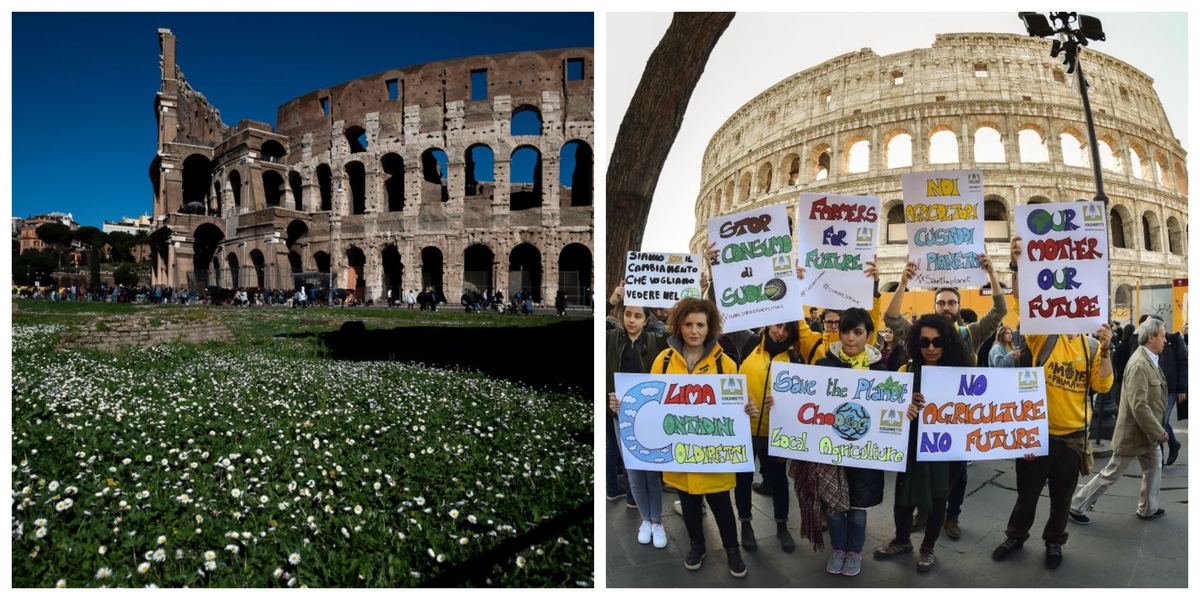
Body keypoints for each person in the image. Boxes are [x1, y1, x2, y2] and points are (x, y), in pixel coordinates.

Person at [994, 235, 1114, 570]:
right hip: (1037, 434)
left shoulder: (1091, 346)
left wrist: (1105, 350)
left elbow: (1102, 385)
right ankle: (1016, 535)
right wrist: (1017, 264)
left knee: (1061, 500)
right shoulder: (1044, 334)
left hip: (1072, 437)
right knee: (1026, 495)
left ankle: (1054, 542)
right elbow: (1020, 303)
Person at [886, 254, 1004, 539]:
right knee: (924, 470)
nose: (947, 307)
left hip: (958, 419)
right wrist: (903, 282)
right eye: (941, 303)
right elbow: (890, 317)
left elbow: (999, 311)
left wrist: (991, 274)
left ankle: (952, 516)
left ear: (959, 307)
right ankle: (923, 513)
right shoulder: (919, 332)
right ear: (934, 306)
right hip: (924, 415)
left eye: (952, 302)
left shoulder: (969, 334)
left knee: (957, 474)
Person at [651, 297, 758, 578]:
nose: (694, 330)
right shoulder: (662, 361)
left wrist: (747, 409)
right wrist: (622, 405)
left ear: (710, 327)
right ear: (679, 325)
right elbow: (650, 400)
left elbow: (737, 408)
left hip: (713, 455)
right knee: (688, 503)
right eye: (688, 324)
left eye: (700, 324)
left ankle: (732, 549)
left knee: (721, 504)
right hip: (680, 453)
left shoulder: (726, 364)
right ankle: (697, 545)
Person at [873, 314, 972, 573]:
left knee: (939, 499)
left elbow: (982, 412)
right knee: (903, 498)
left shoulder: (962, 376)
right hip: (911, 447)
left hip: (947, 452)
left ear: (947, 343)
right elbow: (887, 411)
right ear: (916, 344)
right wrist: (905, 406)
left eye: (937, 342)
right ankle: (902, 541)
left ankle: (928, 549)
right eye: (924, 342)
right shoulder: (905, 372)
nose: (930, 348)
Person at [795, 307, 889, 578]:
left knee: (857, 511)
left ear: (869, 335)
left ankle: (854, 551)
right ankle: (838, 549)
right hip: (830, 454)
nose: (850, 338)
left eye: (858, 332)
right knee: (834, 508)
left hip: (864, 457)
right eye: (846, 331)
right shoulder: (824, 366)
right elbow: (806, 400)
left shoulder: (880, 370)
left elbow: (888, 411)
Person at [1069, 317, 1169, 523]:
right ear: (1151, 337)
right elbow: (1139, 405)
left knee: (1154, 467)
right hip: (1134, 434)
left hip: (1146, 434)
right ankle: (1077, 506)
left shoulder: (1149, 358)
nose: (1165, 340)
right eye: (1163, 336)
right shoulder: (1140, 364)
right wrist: (1158, 432)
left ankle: (1148, 508)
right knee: (1111, 473)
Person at [606, 296, 670, 548]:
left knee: (652, 474)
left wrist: (696, 290)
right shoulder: (611, 338)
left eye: (637, 316)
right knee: (633, 475)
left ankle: (657, 521)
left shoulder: (656, 340)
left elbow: (683, 330)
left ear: (646, 319)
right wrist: (610, 302)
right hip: (621, 415)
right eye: (628, 314)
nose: (631, 320)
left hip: (651, 416)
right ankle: (645, 519)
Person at [1157, 318, 1187, 465]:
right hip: (1157, 388)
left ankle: (1159, 459)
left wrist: (1182, 388)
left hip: (1172, 389)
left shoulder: (1175, 340)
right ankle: (1173, 444)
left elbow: (1184, 363)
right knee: (1160, 420)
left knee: (1161, 422)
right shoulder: (1151, 342)